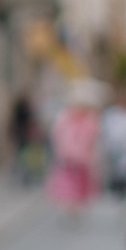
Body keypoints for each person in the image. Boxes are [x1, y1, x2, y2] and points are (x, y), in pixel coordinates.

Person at [47, 80, 103, 215]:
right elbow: (59, 136)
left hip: (83, 160)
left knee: (81, 184)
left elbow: (92, 139)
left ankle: (77, 204)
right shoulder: (65, 119)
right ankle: (71, 204)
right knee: (68, 183)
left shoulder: (90, 121)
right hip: (69, 158)